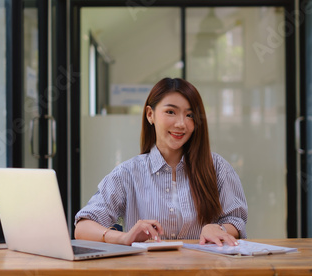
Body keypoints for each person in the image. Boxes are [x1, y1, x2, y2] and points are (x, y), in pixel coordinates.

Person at [74, 77, 247, 246]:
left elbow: (236, 220)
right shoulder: (128, 173)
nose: (181, 124)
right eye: (170, 112)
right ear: (150, 114)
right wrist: (123, 238)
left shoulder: (217, 168)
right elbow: (83, 227)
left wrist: (219, 228)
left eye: (189, 115)